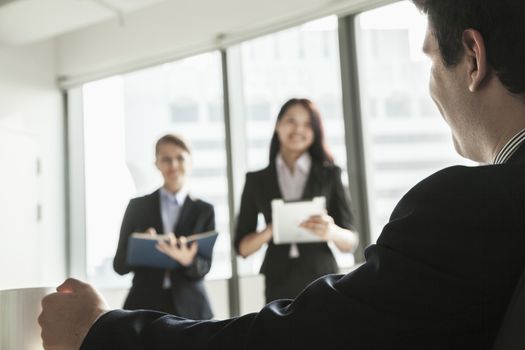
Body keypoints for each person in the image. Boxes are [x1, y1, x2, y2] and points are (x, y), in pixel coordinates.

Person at [38, 0, 525, 349]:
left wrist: (101, 331)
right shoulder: (250, 183)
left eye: (429, 59)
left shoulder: (463, 208)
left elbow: (295, 337)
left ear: (473, 59)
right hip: (282, 292)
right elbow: (230, 250)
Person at [235, 98, 359, 302]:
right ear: (277, 125)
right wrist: (271, 230)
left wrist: (331, 231)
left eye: (307, 124)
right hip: (278, 281)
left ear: (315, 131)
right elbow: (242, 247)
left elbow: (351, 242)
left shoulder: (330, 175)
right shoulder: (257, 180)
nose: (298, 129)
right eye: (291, 121)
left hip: (323, 279)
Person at [112, 133, 215, 320]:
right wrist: (140, 244)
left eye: (180, 158)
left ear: (190, 162)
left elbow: (204, 267)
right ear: (157, 164)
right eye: (166, 159)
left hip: (191, 307)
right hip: (144, 305)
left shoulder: (204, 210)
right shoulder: (137, 207)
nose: (173, 165)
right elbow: (119, 266)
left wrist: (187, 260)